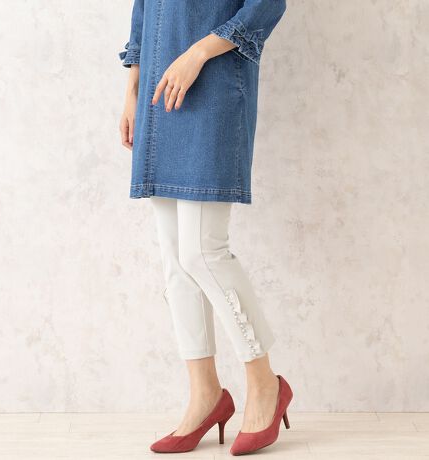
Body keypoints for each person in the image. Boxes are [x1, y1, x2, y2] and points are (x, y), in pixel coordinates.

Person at [119, 0, 293, 455]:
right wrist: (132, 87)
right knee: (176, 261)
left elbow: (268, 3)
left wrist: (198, 53)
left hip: (213, 83)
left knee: (203, 253)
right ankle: (205, 394)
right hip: (158, 91)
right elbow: (143, 8)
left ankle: (265, 384)